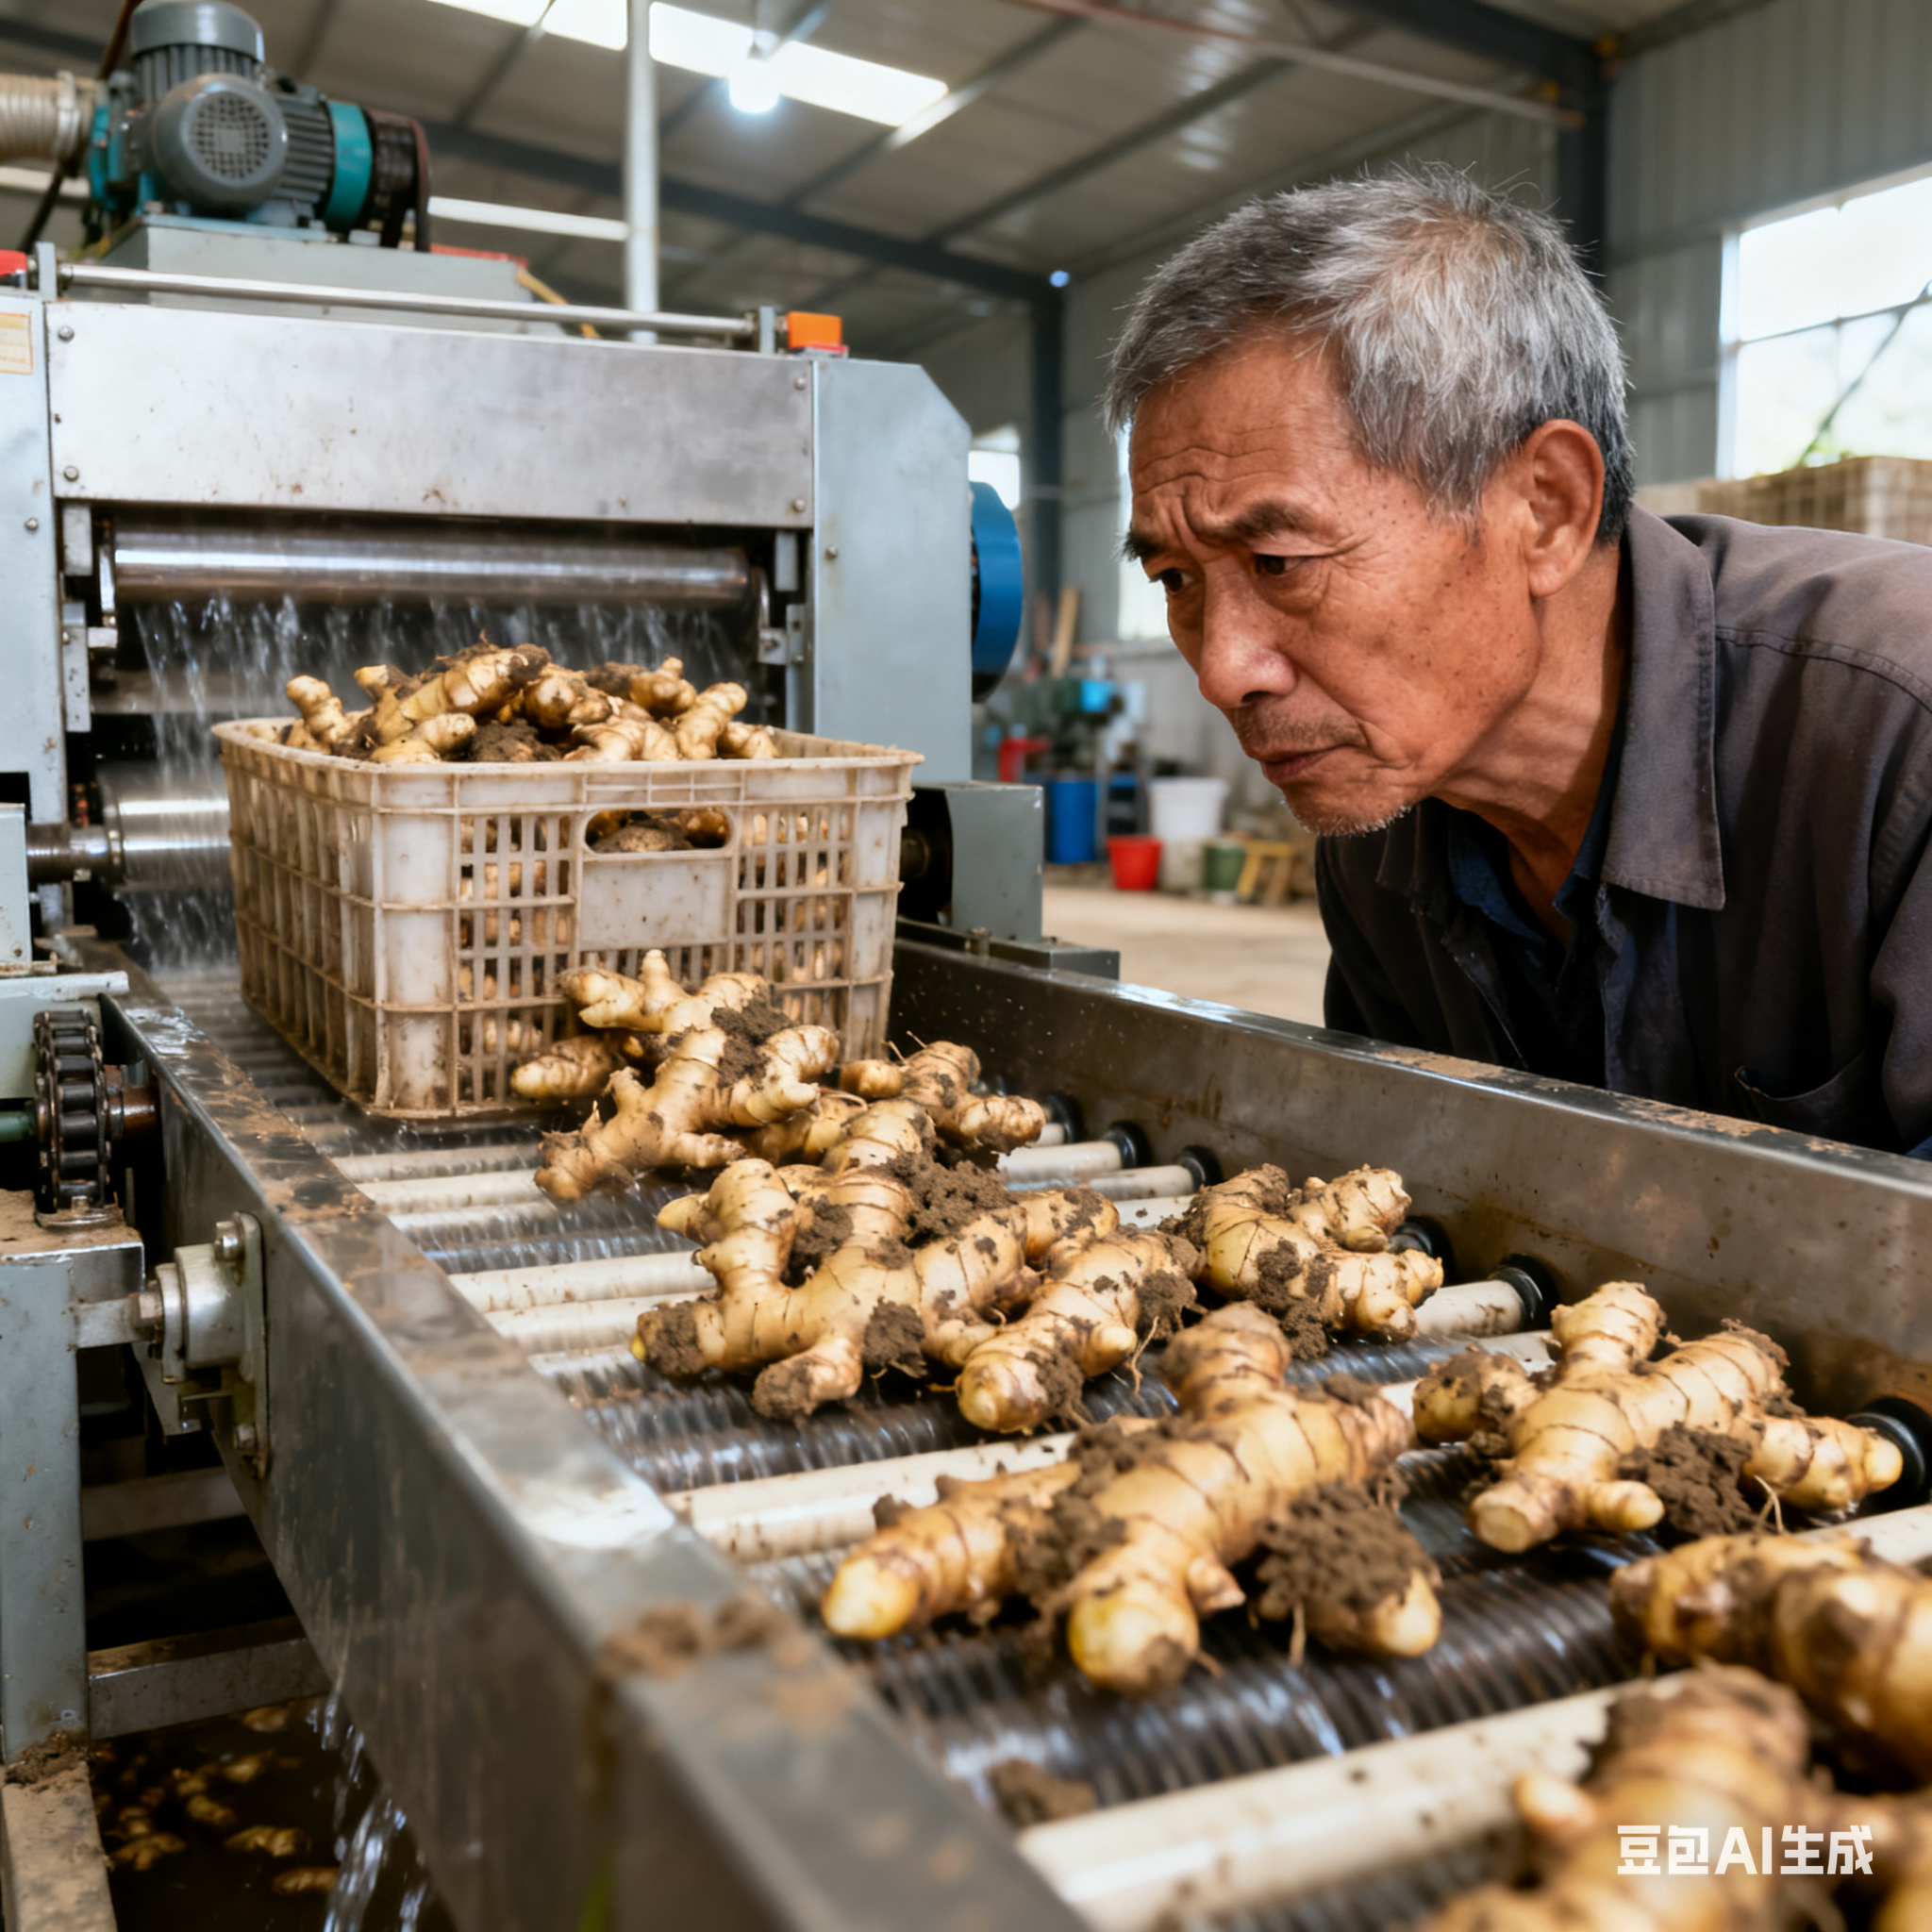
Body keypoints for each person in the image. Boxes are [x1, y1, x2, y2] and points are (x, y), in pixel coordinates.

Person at [1107, 167, 1932, 1156]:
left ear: (1545, 509)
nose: (1222, 672)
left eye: (1279, 562)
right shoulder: (1379, 831)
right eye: (1175, 579)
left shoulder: (1896, 740)